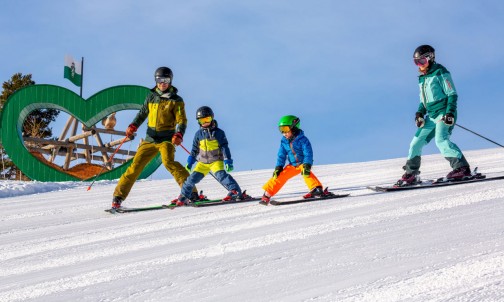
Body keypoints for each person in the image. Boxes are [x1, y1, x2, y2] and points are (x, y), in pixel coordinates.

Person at [111, 67, 200, 209]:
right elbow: (142, 113)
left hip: (166, 139)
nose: (162, 83)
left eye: (166, 80)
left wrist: (179, 134)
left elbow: (181, 120)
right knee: (135, 167)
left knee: (169, 163)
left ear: (170, 81)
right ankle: (118, 198)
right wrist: (133, 125)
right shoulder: (151, 96)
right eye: (160, 80)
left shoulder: (176, 100)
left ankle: (192, 193)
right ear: (156, 80)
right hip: (150, 139)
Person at [396, 45, 472, 186]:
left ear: (430, 58)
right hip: (430, 116)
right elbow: (423, 101)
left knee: (441, 140)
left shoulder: (440, 72)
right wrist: (419, 113)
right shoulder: (422, 78)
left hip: (444, 113)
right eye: (416, 62)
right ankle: (411, 173)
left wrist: (450, 112)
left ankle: (462, 168)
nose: (419, 65)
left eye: (422, 61)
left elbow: (452, 94)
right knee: (415, 143)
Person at [172, 106, 250, 206]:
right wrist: (190, 162)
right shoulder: (198, 134)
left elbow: (224, 147)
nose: (205, 122)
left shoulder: (219, 132)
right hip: (202, 163)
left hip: (216, 161)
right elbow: (194, 149)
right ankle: (184, 196)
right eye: (202, 120)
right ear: (198, 122)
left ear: (212, 118)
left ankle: (235, 192)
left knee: (221, 176)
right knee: (191, 179)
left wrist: (228, 161)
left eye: (207, 119)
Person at [260, 115, 330, 205]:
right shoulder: (284, 141)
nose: (283, 133)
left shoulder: (303, 140)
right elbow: (281, 155)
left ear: (294, 128)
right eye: (281, 130)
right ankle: (267, 194)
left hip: (302, 163)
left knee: (306, 173)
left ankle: (316, 189)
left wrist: (307, 164)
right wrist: (279, 167)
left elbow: (308, 153)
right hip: (292, 165)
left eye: (285, 129)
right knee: (279, 176)